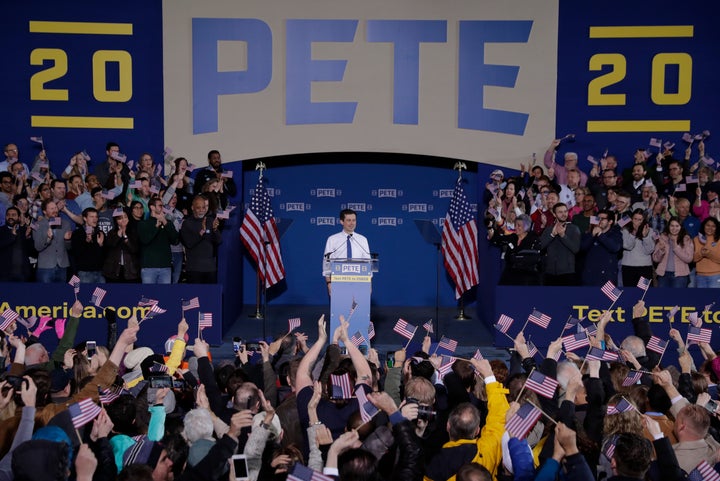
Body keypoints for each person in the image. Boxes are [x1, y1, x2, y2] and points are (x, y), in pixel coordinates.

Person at [323, 208, 371, 294]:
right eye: (349, 220)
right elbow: (326, 263)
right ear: (342, 221)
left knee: (357, 307)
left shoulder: (363, 239)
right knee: (340, 307)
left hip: (359, 281)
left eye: (354, 220)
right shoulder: (332, 239)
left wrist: (369, 283)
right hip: (338, 281)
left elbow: (368, 262)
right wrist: (329, 283)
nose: (352, 223)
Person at [489, 214, 542, 286]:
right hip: (510, 272)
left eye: (519, 225)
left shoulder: (534, 239)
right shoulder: (513, 237)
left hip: (527, 275)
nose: (516, 227)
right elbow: (497, 239)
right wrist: (490, 229)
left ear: (526, 227)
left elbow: (534, 258)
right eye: (515, 225)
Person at [180, 195, 222, 283]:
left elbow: (218, 241)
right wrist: (202, 232)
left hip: (210, 268)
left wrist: (215, 230)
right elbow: (189, 243)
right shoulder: (187, 223)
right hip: (194, 269)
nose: (201, 210)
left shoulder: (210, 221)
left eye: (203, 207)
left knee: (210, 296)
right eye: (198, 208)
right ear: (192, 208)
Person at [138, 197, 179, 284]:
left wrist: (165, 222)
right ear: (152, 207)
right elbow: (145, 240)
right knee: (148, 296)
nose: (162, 208)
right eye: (160, 206)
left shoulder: (168, 223)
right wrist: (156, 227)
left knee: (164, 296)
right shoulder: (143, 224)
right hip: (149, 267)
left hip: (165, 267)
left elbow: (175, 240)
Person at [539, 202, 581, 286]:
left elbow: (575, 249)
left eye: (565, 211)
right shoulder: (548, 229)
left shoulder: (574, 229)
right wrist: (552, 235)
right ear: (554, 214)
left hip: (567, 273)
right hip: (549, 273)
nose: (564, 214)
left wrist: (563, 235)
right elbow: (540, 247)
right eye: (560, 212)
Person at [33, 199, 72, 283]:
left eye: (55, 208)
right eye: (51, 208)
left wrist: (67, 240)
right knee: (45, 294)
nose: (55, 210)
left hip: (62, 265)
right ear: (44, 211)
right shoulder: (37, 225)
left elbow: (69, 248)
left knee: (60, 294)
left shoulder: (65, 223)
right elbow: (37, 247)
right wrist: (48, 239)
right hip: (45, 267)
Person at [580, 209, 622, 286]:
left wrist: (600, 234)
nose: (599, 220)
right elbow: (582, 248)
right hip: (590, 277)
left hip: (607, 278)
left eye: (602, 219)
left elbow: (615, 247)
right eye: (598, 218)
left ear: (610, 222)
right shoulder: (590, 233)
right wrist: (592, 235)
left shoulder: (616, 234)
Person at [653, 218, 693, 288]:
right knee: (662, 298)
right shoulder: (662, 238)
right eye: (672, 226)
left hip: (680, 276)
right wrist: (661, 250)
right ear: (668, 226)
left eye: (677, 226)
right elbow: (655, 259)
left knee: (677, 298)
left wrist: (676, 247)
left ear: (681, 227)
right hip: (663, 275)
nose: (674, 228)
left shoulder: (686, 239)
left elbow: (689, 259)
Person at [70, 207, 106, 283]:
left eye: (96, 217)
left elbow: (105, 254)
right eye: (92, 217)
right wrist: (86, 242)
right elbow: (76, 253)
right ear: (85, 218)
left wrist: (101, 245)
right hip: (84, 273)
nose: (95, 219)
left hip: (100, 272)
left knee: (101, 295)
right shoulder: (78, 233)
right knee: (85, 295)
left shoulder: (100, 233)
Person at [620, 209, 654, 287]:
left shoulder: (650, 230)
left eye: (640, 220)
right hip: (628, 267)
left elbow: (649, 251)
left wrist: (645, 237)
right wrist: (633, 233)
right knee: (630, 293)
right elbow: (627, 246)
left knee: (644, 294)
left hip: (645, 267)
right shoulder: (625, 229)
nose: (637, 222)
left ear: (643, 220)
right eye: (635, 219)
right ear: (631, 219)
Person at [693, 217, 720, 288]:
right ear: (703, 226)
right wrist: (701, 253)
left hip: (716, 275)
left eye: (713, 226)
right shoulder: (696, 239)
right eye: (708, 225)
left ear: (716, 228)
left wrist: (709, 253)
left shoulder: (719, 240)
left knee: (714, 299)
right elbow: (693, 259)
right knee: (701, 299)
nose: (710, 228)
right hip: (700, 276)